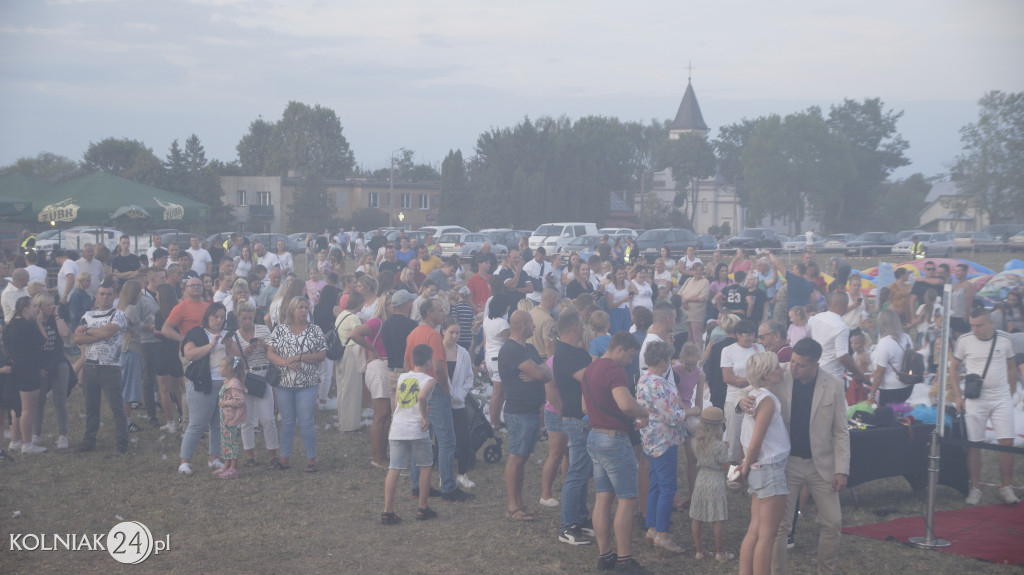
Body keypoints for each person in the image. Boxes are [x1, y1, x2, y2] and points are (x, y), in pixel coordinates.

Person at [738, 338, 849, 575]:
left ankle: (825, 571)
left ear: (815, 365)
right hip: (785, 465)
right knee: (778, 528)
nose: (792, 366)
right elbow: (751, 388)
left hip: (822, 465)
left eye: (800, 364)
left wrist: (842, 469)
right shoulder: (780, 375)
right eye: (792, 361)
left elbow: (841, 430)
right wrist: (740, 401)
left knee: (833, 522)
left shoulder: (834, 385)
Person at [584, 331, 649, 572]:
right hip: (613, 440)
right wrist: (644, 412)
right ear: (619, 349)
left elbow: (584, 405)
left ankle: (606, 556)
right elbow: (624, 403)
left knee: (602, 497)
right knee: (627, 499)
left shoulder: (591, 368)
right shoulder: (614, 370)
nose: (630, 361)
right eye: (630, 355)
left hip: (594, 437)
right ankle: (625, 560)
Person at [950, 308, 1019, 505]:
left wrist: (1012, 392)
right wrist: (958, 396)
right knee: (975, 444)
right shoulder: (965, 340)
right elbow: (953, 366)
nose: (975, 329)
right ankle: (975, 487)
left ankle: (1006, 487)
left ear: (990, 323)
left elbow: (1012, 366)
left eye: (979, 325)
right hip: (975, 398)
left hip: (1000, 397)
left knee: (1007, 442)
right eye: (972, 325)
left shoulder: (1005, 339)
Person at [405, 298, 471, 502]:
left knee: (423, 439)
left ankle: (417, 486)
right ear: (428, 313)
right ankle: (449, 488)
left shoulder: (413, 333)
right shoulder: (433, 335)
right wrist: (446, 389)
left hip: (418, 390)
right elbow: (439, 367)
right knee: (446, 442)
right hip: (434, 391)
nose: (443, 312)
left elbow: (406, 361)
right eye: (439, 310)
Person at [737, 351, 790, 575]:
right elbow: (756, 442)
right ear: (766, 374)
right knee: (767, 537)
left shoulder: (753, 397)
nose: (781, 370)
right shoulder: (766, 401)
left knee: (755, 531)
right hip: (769, 469)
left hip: (759, 469)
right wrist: (745, 466)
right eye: (776, 367)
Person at [637, 340, 690, 554]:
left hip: (650, 438)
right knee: (668, 487)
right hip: (664, 439)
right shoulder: (658, 383)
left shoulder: (644, 380)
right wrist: (690, 413)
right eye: (668, 359)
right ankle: (662, 533)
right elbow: (670, 416)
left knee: (656, 485)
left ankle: (652, 528)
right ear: (662, 361)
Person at [499, 309, 552, 521]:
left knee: (523, 457)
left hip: (530, 411)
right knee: (517, 457)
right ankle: (513, 507)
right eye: (531, 323)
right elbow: (541, 373)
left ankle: (519, 503)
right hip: (519, 411)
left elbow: (546, 372)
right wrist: (539, 373)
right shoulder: (511, 349)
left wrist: (539, 373)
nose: (534, 327)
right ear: (522, 324)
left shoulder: (528, 347)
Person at [178, 302, 240, 474]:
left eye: (222, 317)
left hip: (223, 384)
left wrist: (231, 347)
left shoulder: (228, 334)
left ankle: (214, 458)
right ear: (208, 317)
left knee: (218, 424)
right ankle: (185, 461)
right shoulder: (197, 332)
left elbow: (237, 359)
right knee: (197, 424)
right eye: (215, 317)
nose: (219, 321)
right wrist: (211, 345)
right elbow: (189, 354)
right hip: (202, 383)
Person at [267, 296, 326, 472]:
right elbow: (270, 353)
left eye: (305, 307)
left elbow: (322, 355)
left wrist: (300, 357)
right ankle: (284, 458)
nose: (303, 310)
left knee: (306, 422)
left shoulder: (315, 330)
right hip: (284, 382)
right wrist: (286, 362)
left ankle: (311, 459)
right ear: (291, 310)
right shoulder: (280, 330)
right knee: (287, 421)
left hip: (307, 383)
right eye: (299, 307)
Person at [382, 344, 439, 524]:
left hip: (398, 427)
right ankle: (422, 508)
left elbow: (398, 399)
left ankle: (387, 511)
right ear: (429, 361)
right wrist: (424, 417)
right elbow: (421, 397)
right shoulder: (429, 380)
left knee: (394, 468)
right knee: (425, 466)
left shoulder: (402, 377)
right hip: (417, 429)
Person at [73, 282, 132, 454]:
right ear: (97, 296)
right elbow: (77, 338)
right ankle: (88, 440)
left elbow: (108, 333)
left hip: (110, 366)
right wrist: (98, 332)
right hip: (90, 365)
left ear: (114, 296)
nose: (105, 297)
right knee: (91, 406)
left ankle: (122, 443)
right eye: (102, 294)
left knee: (116, 407)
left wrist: (88, 332)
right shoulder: (88, 314)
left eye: (108, 294)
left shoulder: (118, 314)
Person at [349, 293, 392, 467]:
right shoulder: (378, 322)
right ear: (385, 305)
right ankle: (377, 457)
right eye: (391, 303)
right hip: (379, 367)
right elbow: (354, 333)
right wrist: (372, 349)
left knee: (387, 414)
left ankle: (383, 454)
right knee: (381, 414)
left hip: (386, 367)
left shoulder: (388, 323)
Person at [234, 300, 278, 468]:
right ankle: (249, 454)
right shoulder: (235, 335)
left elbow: (275, 351)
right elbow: (234, 360)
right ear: (238, 318)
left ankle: (273, 453)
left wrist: (265, 346)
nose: (247, 321)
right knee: (246, 419)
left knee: (267, 418)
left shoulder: (263, 329)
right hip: (246, 375)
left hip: (263, 374)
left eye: (250, 318)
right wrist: (243, 353)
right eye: (244, 318)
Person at [4, 296, 49, 455]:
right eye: (34, 306)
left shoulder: (10, 324)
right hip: (28, 370)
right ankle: (28, 444)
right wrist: (37, 321)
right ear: (25, 309)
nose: (36, 309)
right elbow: (44, 341)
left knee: (16, 408)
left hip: (14, 369)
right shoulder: (27, 325)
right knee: (28, 409)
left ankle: (15, 441)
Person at [690, 406, 732, 562]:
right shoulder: (720, 446)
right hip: (716, 481)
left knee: (697, 516)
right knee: (717, 518)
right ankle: (720, 552)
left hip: (701, 479)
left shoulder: (695, 442)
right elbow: (723, 465)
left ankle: (699, 551)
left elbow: (696, 459)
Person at [31, 292, 72, 449]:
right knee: (38, 401)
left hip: (58, 361)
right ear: (39, 307)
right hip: (41, 364)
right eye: (48, 305)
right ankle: (36, 434)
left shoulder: (55, 319)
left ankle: (63, 435)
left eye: (52, 304)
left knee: (59, 400)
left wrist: (56, 315)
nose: (51, 307)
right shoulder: (34, 322)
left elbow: (65, 333)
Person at [720, 320, 764, 463]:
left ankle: (748, 466)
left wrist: (745, 380)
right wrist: (753, 379)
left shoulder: (759, 349)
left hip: (756, 397)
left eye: (753, 335)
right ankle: (732, 470)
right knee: (734, 437)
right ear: (738, 335)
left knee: (752, 435)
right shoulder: (728, 351)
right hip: (734, 399)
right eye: (748, 335)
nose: (751, 338)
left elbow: (764, 372)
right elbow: (728, 378)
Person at [441, 318, 477, 489]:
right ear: (443, 332)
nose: (454, 336)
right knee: (443, 441)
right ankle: (445, 475)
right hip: (441, 403)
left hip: (459, 403)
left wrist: (461, 394)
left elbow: (469, 377)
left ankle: (462, 474)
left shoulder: (463, 353)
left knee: (463, 439)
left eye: (457, 333)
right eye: (451, 332)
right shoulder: (437, 352)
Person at [153, 284, 185, 432]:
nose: (156, 296)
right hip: (177, 352)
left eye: (158, 294)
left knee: (164, 390)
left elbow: (160, 335)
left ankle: (171, 422)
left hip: (162, 353)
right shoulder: (179, 311)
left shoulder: (159, 314)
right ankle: (185, 418)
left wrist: (154, 330)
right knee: (178, 388)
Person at [334, 292, 366, 433]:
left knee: (342, 388)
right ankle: (351, 426)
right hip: (351, 353)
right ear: (358, 303)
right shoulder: (353, 318)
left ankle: (343, 421)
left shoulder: (341, 315)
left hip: (340, 353)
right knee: (352, 390)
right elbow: (359, 334)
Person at [868, 309, 915, 406]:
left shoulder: (885, 342)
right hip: (907, 386)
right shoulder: (906, 337)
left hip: (890, 389)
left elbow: (880, 372)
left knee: (887, 417)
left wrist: (872, 395)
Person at [117, 280, 145, 432]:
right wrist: (129, 331)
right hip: (131, 349)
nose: (141, 294)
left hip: (123, 350)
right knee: (128, 386)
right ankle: (126, 422)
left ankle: (123, 419)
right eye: (139, 290)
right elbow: (124, 323)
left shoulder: (121, 307)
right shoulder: (131, 308)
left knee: (123, 385)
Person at [214, 356, 247, 479]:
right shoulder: (228, 382)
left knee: (231, 442)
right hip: (225, 417)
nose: (219, 369)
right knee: (226, 441)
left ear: (228, 369)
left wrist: (226, 403)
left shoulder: (234, 384)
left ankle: (233, 468)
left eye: (221, 366)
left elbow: (240, 401)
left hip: (231, 418)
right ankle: (227, 465)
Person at [483, 295, 512, 430]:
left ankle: (496, 420)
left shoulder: (486, 320)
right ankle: (494, 422)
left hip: (490, 357)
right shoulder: (502, 323)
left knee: (499, 392)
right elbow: (508, 342)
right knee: (498, 393)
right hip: (498, 359)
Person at [678, 262, 710, 347]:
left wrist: (687, 299)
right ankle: (689, 356)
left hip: (697, 315)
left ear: (703, 271)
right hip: (685, 313)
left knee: (696, 338)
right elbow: (679, 293)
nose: (698, 272)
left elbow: (703, 297)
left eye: (700, 270)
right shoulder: (688, 280)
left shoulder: (705, 282)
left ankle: (698, 358)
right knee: (688, 338)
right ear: (692, 271)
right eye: (696, 270)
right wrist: (683, 302)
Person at [605, 266, 635, 335]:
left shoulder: (627, 283)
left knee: (626, 334)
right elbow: (610, 306)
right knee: (615, 334)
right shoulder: (610, 287)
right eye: (619, 274)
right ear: (615, 274)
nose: (621, 276)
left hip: (626, 311)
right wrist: (623, 300)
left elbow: (636, 292)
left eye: (623, 273)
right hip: (616, 312)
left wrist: (629, 279)